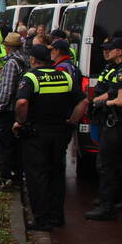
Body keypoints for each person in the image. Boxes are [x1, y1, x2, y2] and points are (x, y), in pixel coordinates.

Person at [14, 45, 87, 231]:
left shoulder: (31, 77)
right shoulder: (65, 76)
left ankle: (41, 219)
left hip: (36, 133)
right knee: (57, 173)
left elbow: (22, 102)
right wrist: (72, 122)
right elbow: (83, 101)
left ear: (33, 60)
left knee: (37, 175)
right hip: (60, 132)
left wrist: (20, 122)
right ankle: (57, 216)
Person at [85, 37, 122, 220]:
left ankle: (106, 207)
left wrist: (104, 103)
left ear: (119, 52)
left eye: (111, 49)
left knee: (106, 164)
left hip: (117, 123)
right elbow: (113, 92)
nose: (107, 51)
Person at [0, 33, 29, 190]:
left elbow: (7, 89)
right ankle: (18, 176)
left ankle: (5, 177)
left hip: (9, 110)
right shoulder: (25, 60)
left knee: (6, 145)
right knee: (18, 145)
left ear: (8, 47)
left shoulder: (11, 63)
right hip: (21, 110)